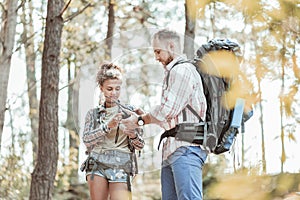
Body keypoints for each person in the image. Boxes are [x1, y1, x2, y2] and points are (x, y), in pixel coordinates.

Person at [121, 29, 208, 200]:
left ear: (171, 46)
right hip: (172, 150)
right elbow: (170, 118)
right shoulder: (172, 73)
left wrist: (139, 120)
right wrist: (145, 116)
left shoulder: (181, 71)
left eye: (158, 51)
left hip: (186, 148)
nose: (156, 57)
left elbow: (167, 110)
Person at [81, 62, 145, 200]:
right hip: (97, 163)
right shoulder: (93, 114)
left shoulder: (130, 112)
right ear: (101, 88)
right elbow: (86, 140)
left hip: (121, 164)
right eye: (109, 89)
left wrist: (133, 135)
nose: (113, 93)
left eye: (117, 88)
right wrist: (107, 126)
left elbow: (140, 145)